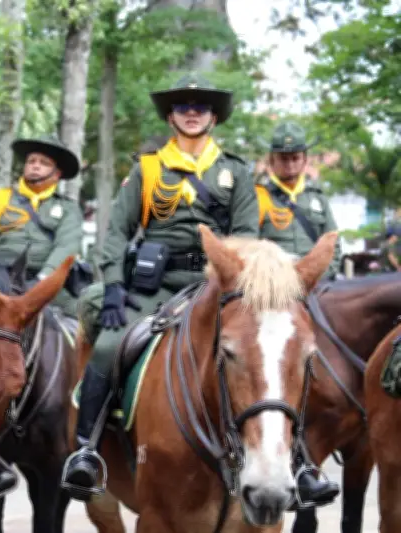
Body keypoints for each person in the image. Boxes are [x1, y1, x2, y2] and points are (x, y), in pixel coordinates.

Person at [63, 73, 339, 508]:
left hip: (221, 285)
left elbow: (248, 235)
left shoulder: (235, 171)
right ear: (171, 117)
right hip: (155, 284)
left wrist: (238, 278)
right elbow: (116, 232)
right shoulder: (148, 168)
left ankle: (300, 459)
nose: (192, 113)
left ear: (213, 117)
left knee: (273, 356)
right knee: (109, 345)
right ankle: (87, 450)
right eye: (183, 107)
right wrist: (114, 286)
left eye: (201, 107)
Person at [0, 135, 83, 319]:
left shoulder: (68, 209)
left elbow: (66, 248)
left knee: (83, 323)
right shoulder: (1, 199)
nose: (35, 166)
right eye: (31, 161)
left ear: (57, 174)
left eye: (44, 163)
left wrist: (42, 281)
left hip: (45, 285)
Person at [256, 121, 341, 280]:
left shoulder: (317, 197)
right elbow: (249, 244)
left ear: (305, 160)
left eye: (295, 158)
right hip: (274, 283)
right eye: (283, 159)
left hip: (316, 283)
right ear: (272, 161)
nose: (290, 164)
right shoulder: (258, 196)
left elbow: (333, 242)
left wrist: (322, 275)